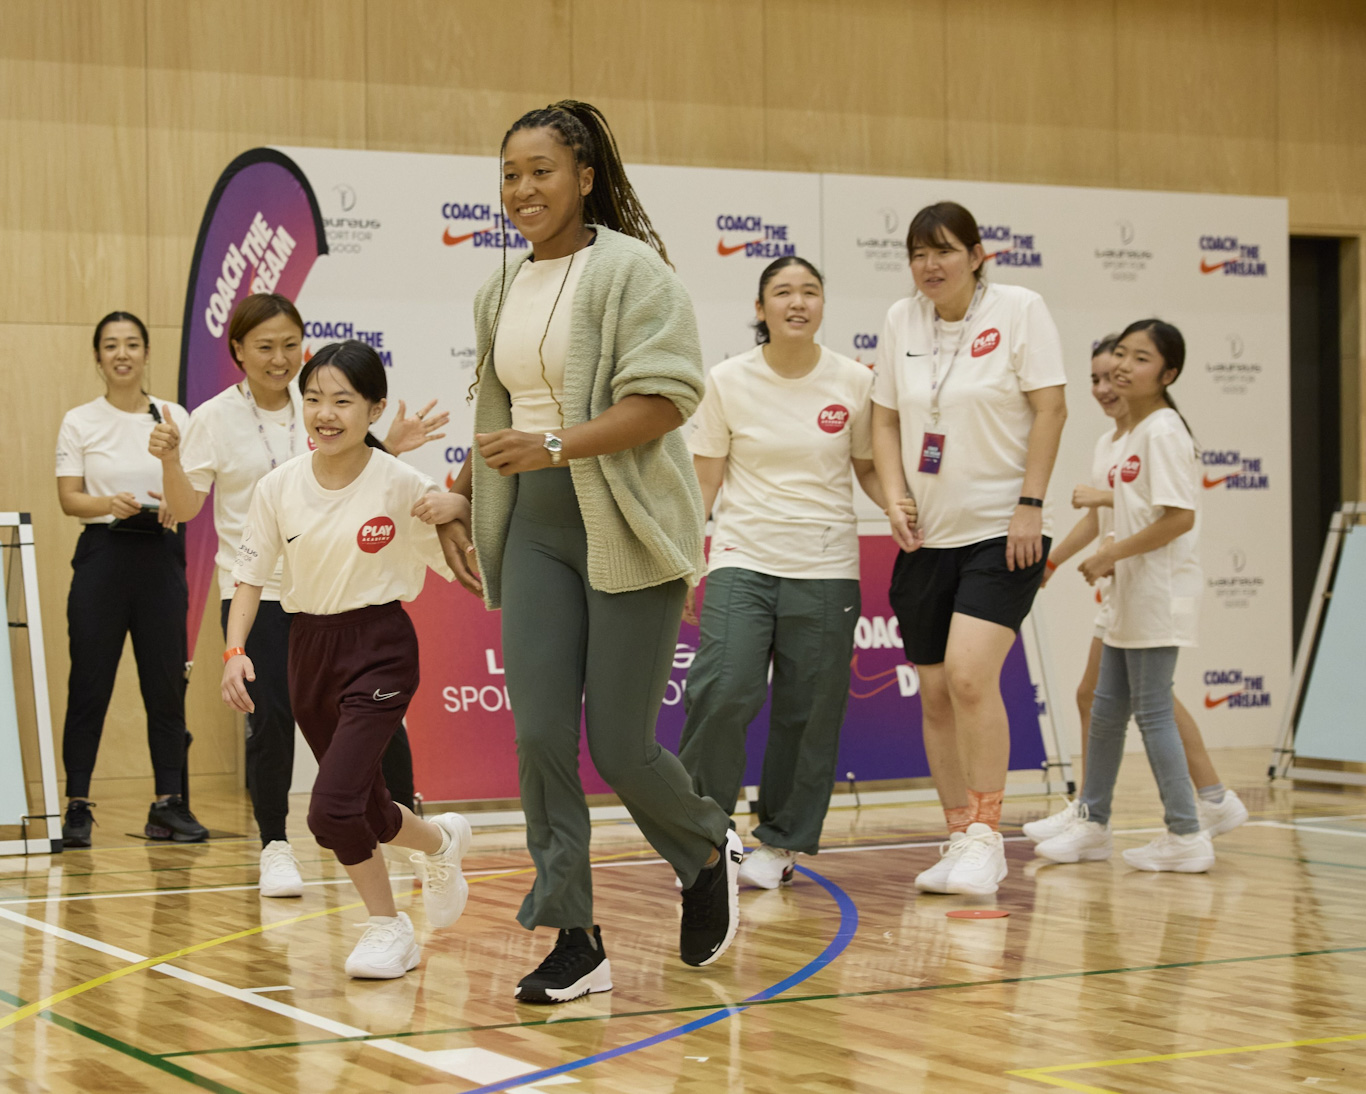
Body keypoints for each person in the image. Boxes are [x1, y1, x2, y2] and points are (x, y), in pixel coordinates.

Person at [429, 99, 741, 1005]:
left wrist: (558, 446)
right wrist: (462, 485)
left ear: (586, 178)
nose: (522, 190)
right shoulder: (499, 290)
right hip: (533, 522)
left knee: (621, 742)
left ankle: (702, 844)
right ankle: (574, 935)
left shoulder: (633, 272)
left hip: (628, 520)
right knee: (536, 735)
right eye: (510, 175)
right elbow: (504, 417)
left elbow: (669, 398)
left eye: (541, 171)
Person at [151, 293, 447, 896]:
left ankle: (408, 829)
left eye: (290, 344)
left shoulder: (320, 397)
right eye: (264, 346)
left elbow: (357, 477)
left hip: (337, 590)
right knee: (271, 723)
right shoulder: (213, 418)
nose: (279, 358)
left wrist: (392, 442)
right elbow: (182, 510)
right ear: (238, 351)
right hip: (258, 590)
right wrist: (172, 461)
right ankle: (275, 846)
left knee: (379, 723)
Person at [221, 340, 471, 979]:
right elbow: (249, 576)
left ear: (374, 409)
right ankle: (442, 841)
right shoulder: (279, 487)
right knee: (369, 808)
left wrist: (463, 505)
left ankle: (389, 929)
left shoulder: (402, 483)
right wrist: (234, 650)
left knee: (330, 808)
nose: (324, 414)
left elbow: (466, 564)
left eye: (342, 400)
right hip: (308, 648)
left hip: (380, 647)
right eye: (313, 400)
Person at [871, 201, 1068, 896]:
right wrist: (894, 496)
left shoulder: (1019, 308)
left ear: (978, 254)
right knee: (933, 694)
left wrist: (1032, 504)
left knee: (969, 677)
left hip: (1001, 530)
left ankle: (989, 835)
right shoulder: (903, 320)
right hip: (929, 535)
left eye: (946, 250)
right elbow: (886, 418)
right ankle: (958, 835)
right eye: (919, 253)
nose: (931, 265)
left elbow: (1051, 406)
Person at [676, 255, 886, 889]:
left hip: (826, 569)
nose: (798, 302)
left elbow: (870, 468)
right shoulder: (726, 380)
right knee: (722, 693)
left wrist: (904, 505)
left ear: (823, 305)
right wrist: (690, 563)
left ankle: (779, 842)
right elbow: (703, 481)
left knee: (809, 710)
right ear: (761, 308)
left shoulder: (854, 381)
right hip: (743, 560)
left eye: (811, 292)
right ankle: (703, 836)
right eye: (783, 292)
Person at [1025, 336, 1246, 845]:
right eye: (1100, 375)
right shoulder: (1116, 442)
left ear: (1166, 374)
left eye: (1128, 364)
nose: (1111, 381)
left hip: (1153, 584)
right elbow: (1111, 516)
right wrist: (1055, 559)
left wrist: (1108, 548)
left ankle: (1192, 820)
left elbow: (1174, 514)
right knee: (1105, 701)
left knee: (1151, 705)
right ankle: (1095, 814)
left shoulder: (1161, 431)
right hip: (1125, 586)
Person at [55, 312, 207, 847]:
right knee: (89, 684)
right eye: (111, 345)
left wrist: (172, 500)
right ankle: (76, 804)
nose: (122, 353)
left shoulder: (172, 415)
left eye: (133, 344)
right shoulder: (80, 420)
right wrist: (107, 503)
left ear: (146, 353)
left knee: (165, 685)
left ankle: (168, 803)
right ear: (97, 357)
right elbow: (69, 497)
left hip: (160, 558)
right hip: (102, 556)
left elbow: (191, 494)